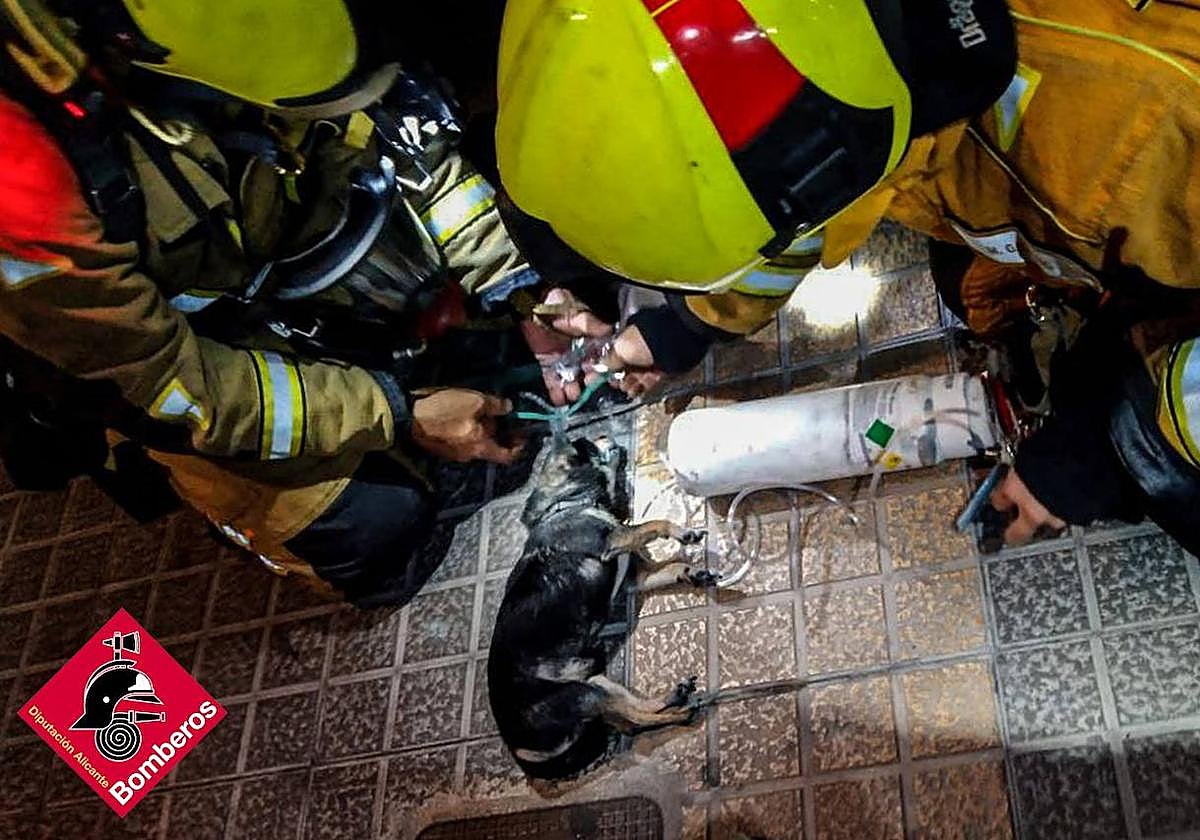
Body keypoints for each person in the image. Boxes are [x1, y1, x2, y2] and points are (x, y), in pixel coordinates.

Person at [493, 0, 1200, 555]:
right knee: (979, 296)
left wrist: (1110, 444)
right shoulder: (841, 46)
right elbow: (817, 185)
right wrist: (684, 324)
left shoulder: (1153, 120)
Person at [0, 0, 578, 606]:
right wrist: (395, 411)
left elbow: (398, 127)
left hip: (278, 224)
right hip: (200, 354)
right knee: (378, 525)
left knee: (541, 226)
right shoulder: (27, 199)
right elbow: (182, 389)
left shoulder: (271, 32)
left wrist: (517, 286)